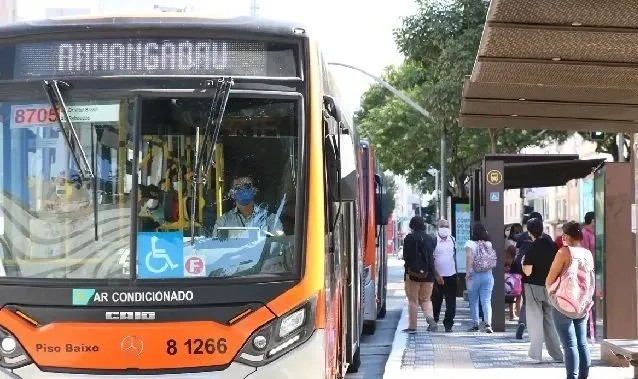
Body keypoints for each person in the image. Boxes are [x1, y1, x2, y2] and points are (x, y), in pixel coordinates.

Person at [546, 221, 595, 379]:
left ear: (566, 236)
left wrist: (552, 294)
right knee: (582, 343)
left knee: (569, 345)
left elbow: (550, 279)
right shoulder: (587, 253)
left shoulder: (563, 252)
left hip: (564, 303)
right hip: (581, 304)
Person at [521, 217, 563, 363]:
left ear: (529, 232)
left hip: (533, 286)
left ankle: (536, 355)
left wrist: (522, 264)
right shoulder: (552, 245)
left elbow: (527, 271)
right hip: (551, 287)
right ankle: (557, 354)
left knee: (535, 321)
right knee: (550, 321)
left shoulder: (532, 248)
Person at [212, 172, 283, 237]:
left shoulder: (270, 219)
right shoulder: (223, 221)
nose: (243, 189)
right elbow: (215, 247)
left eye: (247, 186)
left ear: (254, 191)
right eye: (238, 187)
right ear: (232, 194)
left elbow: (279, 245)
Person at [402, 216, 438, 333]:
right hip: (429, 275)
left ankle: (412, 326)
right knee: (426, 299)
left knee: (413, 300)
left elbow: (406, 257)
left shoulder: (409, 239)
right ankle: (430, 319)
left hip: (413, 275)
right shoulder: (431, 239)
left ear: (412, 226)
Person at [515, 211, 544, 339]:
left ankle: (522, 321)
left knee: (527, 300)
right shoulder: (544, 237)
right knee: (542, 302)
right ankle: (538, 328)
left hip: (525, 272)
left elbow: (517, 253)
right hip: (540, 274)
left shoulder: (522, 237)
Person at [465, 223, 496, 333]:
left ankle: (475, 324)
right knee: (486, 300)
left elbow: (469, 258)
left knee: (473, 301)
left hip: (474, 275)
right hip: (488, 275)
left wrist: (468, 273)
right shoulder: (488, 244)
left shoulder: (469, 243)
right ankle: (488, 324)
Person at [431, 219, 457, 333]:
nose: (445, 228)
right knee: (436, 302)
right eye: (443, 226)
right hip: (438, 277)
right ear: (438, 227)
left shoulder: (452, 239)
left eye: (447, 226)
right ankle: (434, 321)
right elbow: (430, 260)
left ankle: (448, 324)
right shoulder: (433, 241)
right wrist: (436, 275)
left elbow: (454, 257)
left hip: (451, 276)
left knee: (451, 304)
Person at [581, 211, 596, 339]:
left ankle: (590, 328)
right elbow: (586, 253)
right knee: (588, 299)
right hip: (588, 271)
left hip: (593, 270)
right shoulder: (585, 234)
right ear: (592, 221)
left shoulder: (592, 233)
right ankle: (587, 328)